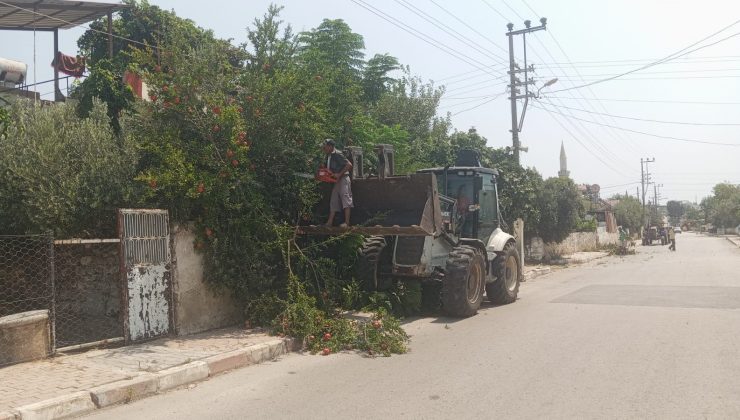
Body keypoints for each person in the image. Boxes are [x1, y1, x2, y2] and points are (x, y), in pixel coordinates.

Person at [321, 139, 353, 227]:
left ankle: (347, 222)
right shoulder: (328, 156)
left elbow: (349, 165)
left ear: (330, 146)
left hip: (343, 179)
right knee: (333, 200)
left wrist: (339, 174)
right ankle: (329, 222)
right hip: (336, 181)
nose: (324, 148)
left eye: (325, 146)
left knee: (346, 199)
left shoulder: (338, 154)